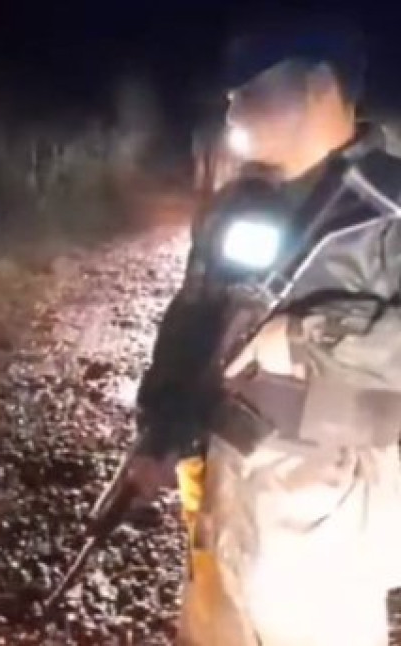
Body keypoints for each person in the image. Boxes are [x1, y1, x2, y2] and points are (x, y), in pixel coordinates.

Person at [130, 15, 401, 646]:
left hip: (332, 529)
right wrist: (159, 430)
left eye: (250, 87)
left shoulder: (391, 208)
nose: (231, 105)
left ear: (316, 89)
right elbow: (196, 313)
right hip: (227, 501)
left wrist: (307, 336)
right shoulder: (235, 205)